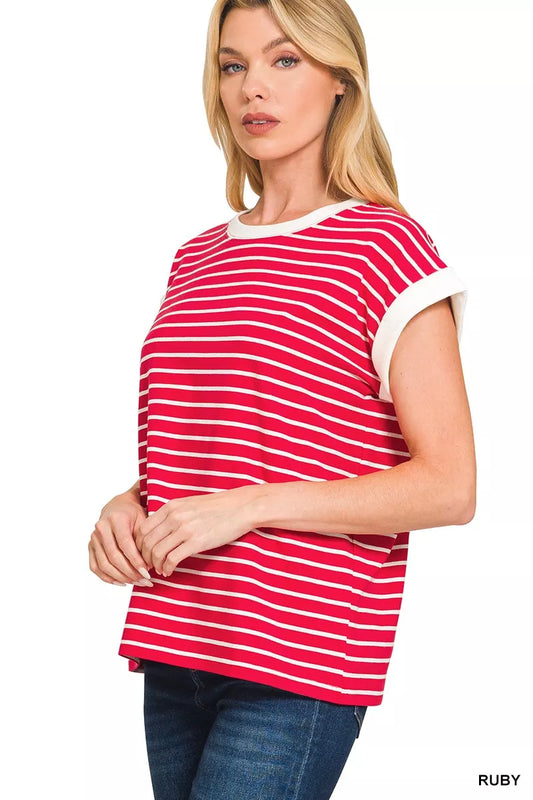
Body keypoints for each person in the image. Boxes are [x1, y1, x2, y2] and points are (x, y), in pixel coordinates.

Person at [88, 1, 477, 798]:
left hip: (295, 655)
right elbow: (224, 437)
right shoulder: (197, 258)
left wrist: (251, 507)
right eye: (232, 66)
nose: (251, 88)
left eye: (284, 59)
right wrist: (128, 505)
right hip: (177, 637)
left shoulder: (385, 246)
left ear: (341, 79)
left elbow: (450, 485)